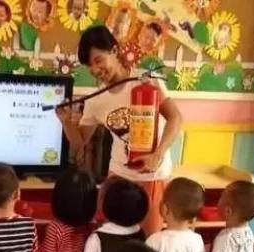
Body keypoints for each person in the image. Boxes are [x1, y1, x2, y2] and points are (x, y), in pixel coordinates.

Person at [57, 26, 183, 236]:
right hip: (118, 177)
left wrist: (158, 154)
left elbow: (176, 118)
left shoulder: (147, 80)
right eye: (90, 67)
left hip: (152, 176)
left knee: (148, 240)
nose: (96, 70)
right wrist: (66, 122)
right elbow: (80, 142)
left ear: (114, 51)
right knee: (112, 239)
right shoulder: (96, 99)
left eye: (98, 60)